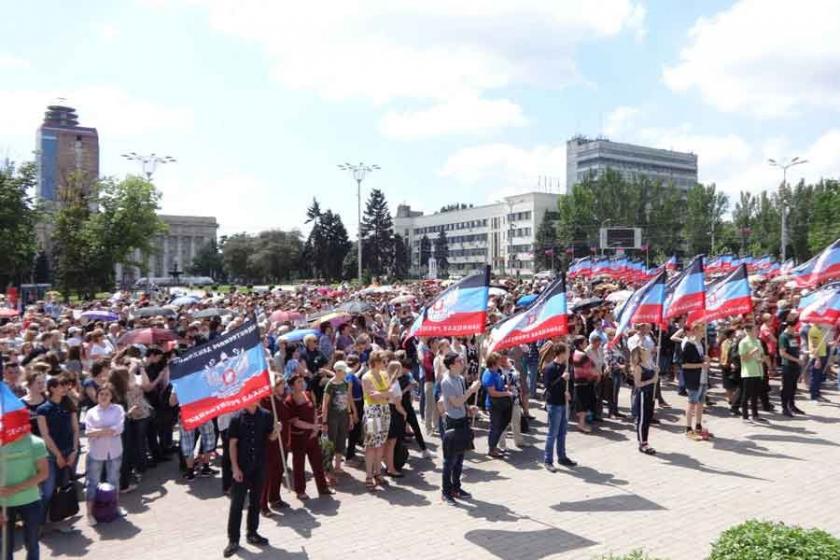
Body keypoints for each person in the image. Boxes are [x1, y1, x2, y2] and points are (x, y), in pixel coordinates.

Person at [223, 402, 277, 558]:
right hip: (241, 467)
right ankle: (233, 540)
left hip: (259, 466)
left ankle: (252, 533)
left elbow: (271, 437)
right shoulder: (236, 418)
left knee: (256, 502)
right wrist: (235, 468)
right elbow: (232, 445)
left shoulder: (266, 415)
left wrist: (276, 430)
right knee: (237, 504)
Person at [36, 375, 79, 524]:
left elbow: (75, 429)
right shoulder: (43, 409)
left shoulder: (69, 405)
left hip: (69, 452)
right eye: (62, 385)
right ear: (52, 388)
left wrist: (74, 450)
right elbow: (45, 435)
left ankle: (57, 519)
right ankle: (38, 523)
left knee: (63, 488)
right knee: (47, 491)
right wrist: (58, 455)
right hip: (50, 455)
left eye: (66, 385)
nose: (65, 388)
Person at [439, 351, 481, 505]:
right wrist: (471, 390)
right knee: (450, 460)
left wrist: (469, 408)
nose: (462, 362)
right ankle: (446, 491)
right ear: (451, 365)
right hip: (452, 422)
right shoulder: (446, 381)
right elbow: (455, 402)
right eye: (459, 360)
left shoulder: (461, 379)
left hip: (463, 420)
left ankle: (456, 487)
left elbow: (462, 402)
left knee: (460, 458)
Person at [0, 431, 49, 560]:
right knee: (4, 546)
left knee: (32, 543)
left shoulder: (35, 443)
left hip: (31, 501)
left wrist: (14, 489)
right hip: (3, 504)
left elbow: (44, 473)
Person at [83, 383, 126, 526]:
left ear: (111, 396)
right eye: (101, 394)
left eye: (107, 394)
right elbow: (88, 433)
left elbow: (119, 428)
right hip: (96, 452)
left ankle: (115, 507)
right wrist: (106, 430)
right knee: (92, 483)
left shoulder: (118, 409)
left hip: (114, 451)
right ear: (97, 396)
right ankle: (89, 513)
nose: (104, 397)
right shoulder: (91, 412)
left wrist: (99, 431)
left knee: (114, 480)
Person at [285, 375, 332, 499]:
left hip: (312, 435)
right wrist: (312, 427)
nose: (302, 383)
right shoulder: (290, 401)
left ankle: (323, 488)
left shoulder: (308, 394)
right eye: (298, 382)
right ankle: (300, 491)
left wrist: (316, 427)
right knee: (299, 464)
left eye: (302, 381)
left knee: (317, 462)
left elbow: (314, 411)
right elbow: (295, 422)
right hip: (298, 437)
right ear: (292, 385)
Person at [542, 342, 576, 471]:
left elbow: (568, 385)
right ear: (561, 353)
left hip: (563, 403)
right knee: (552, 433)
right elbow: (548, 386)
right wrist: (562, 379)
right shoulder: (549, 368)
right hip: (554, 404)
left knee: (563, 432)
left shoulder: (565, 367)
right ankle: (548, 460)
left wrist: (569, 394)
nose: (569, 354)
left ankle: (562, 456)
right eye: (567, 352)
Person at [361, 351, 392, 489]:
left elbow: (390, 395)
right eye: (383, 361)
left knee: (381, 443)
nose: (385, 364)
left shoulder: (384, 375)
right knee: (371, 444)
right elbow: (373, 397)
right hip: (373, 412)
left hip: (384, 411)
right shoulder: (366, 377)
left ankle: (378, 473)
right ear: (376, 362)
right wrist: (384, 395)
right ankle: (369, 475)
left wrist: (383, 394)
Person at [259, 375, 289, 514]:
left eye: (283, 384)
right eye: (280, 384)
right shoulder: (266, 401)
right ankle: (262, 504)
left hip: (282, 441)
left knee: (279, 470)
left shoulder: (281, 399)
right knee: (268, 473)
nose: (283, 387)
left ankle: (275, 497)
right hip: (270, 441)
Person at [321, 361, 356, 480]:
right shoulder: (330, 385)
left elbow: (347, 400)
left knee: (341, 440)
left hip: (343, 416)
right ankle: (328, 468)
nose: (346, 373)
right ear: (338, 371)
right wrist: (324, 421)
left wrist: (350, 416)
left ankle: (337, 466)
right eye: (344, 371)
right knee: (331, 441)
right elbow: (325, 404)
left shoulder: (345, 383)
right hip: (332, 417)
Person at [681, 323, 711, 440]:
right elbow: (684, 365)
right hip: (693, 378)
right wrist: (701, 364)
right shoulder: (689, 345)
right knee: (692, 402)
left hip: (702, 377)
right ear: (695, 331)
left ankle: (698, 425)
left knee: (700, 402)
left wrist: (705, 359)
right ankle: (688, 428)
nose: (704, 333)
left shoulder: (701, 344)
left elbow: (701, 360)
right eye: (702, 330)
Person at [481, 352, 512, 458]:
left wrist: (505, 387)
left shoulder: (496, 372)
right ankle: (491, 448)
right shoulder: (488, 374)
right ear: (494, 362)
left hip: (500, 404)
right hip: (494, 404)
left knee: (500, 425)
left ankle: (494, 446)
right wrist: (506, 393)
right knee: (495, 427)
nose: (501, 361)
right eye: (498, 360)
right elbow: (492, 392)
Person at [630, 346, 657, 455]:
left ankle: (645, 440)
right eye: (644, 351)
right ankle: (642, 443)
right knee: (642, 419)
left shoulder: (649, 364)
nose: (647, 351)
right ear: (640, 355)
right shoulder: (638, 367)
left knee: (648, 418)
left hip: (650, 394)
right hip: (642, 394)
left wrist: (656, 372)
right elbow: (638, 384)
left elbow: (654, 378)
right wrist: (652, 380)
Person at [738, 322, 766, 423]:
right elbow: (743, 358)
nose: (757, 331)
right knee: (746, 394)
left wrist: (762, 359)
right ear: (749, 331)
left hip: (758, 371)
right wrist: (752, 352)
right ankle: (745, 416)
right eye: (755, 330)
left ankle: (755, 415)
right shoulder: (743, 342)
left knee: (755, 395)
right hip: (748, 372)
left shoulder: (758, 341)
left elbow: (763, 354)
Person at [779, 320, 805, 416]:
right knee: (787, 387)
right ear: (789, 327)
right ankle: (785, 407)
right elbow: (783, 353)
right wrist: (796, 360)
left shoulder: (792, 336)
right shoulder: (783, 337)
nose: (795, 329)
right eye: (794, 327)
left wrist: (804, 352)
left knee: (793, 387)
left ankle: (792, 405)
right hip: (788, 366)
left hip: (795, 366)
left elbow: (795, 349)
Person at [807, 321, 828, 401]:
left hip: (822, 355)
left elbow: (820, 343)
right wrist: (817, 359)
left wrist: (829, 343)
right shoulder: (813, 330)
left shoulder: (820, 329)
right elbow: (814, 345)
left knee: (819, 377)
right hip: (817, 356)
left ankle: (817, 394)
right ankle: (813, 396)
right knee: (815, 377)